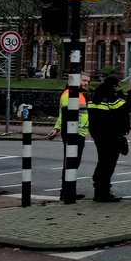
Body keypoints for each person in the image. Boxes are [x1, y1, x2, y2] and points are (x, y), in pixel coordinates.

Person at [87, 75, 131, 202]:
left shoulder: (95, 97)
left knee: (102, 161)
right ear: (114, 86)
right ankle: (103, 192)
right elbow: (126, 108)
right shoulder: (112, 98)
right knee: (108, 164)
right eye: (117, 85)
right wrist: (128, 92)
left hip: (98, 135)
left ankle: (99, 190)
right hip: (111, 135)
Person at [48, 72, 89, 201]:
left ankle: (68, 191)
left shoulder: (77, 95)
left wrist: (56, 129)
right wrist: (61, 130)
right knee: (71, 163)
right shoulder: (70, 95)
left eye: (88, 81)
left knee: (72, 163)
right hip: (74, 134)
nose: (86, 83)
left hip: (77, 133)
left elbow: (62, 115)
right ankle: (67, 192)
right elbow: (65, 115)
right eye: (83, 80)